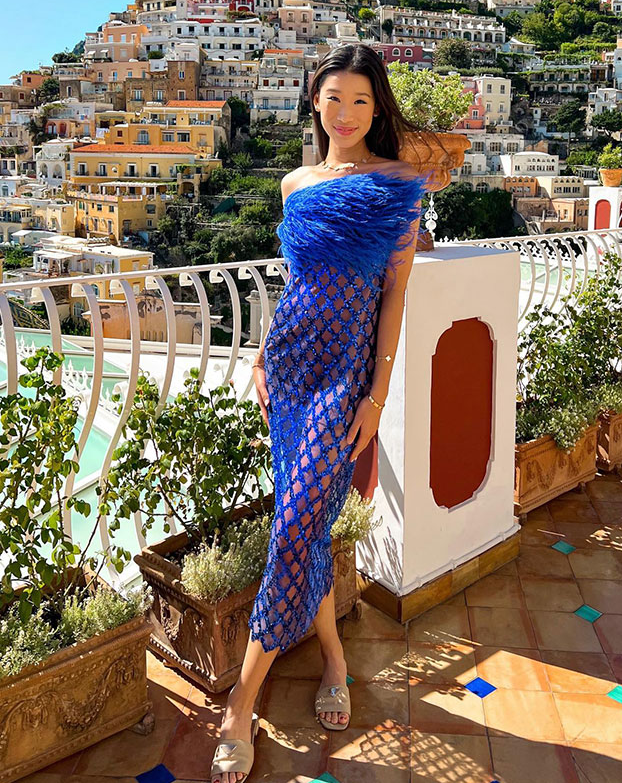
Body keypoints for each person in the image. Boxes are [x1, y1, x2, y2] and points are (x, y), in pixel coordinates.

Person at [210, 42, 429, 783]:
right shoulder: (294, 183)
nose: (345, 113)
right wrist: (262, 353)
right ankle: (333, 655)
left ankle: (240, 699)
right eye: (333, 98)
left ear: (378, 109)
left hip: (345, 378)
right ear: (314, 100)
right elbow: (292, 280)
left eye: (361, 101)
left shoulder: (400, 185)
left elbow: (395, 293)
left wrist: (377, 393)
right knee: (307, 521)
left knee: (297, 518)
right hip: (291, 365)